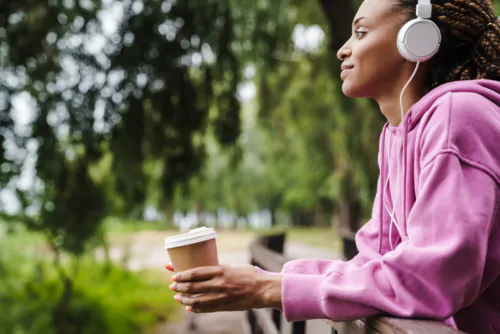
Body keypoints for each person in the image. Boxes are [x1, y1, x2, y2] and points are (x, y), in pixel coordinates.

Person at [165, 0, 500, 333]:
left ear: (418, 38)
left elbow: (433, 279)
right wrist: (258, 280)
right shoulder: (397, 136)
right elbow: (372, 262)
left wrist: (264, 289)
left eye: (361, 33)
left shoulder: (460, 116)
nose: (342, 50)